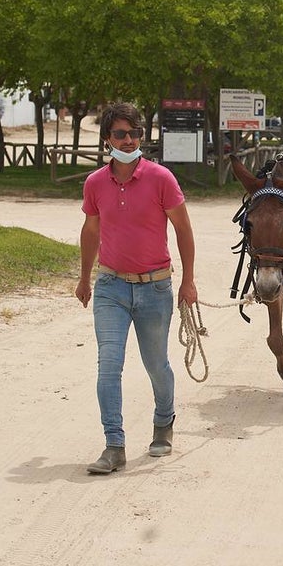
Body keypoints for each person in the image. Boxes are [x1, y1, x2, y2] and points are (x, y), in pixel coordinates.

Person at [76, 102, 197, 474]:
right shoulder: (95, 183)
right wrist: (84, 277)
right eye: (120, 134)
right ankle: (114, 445)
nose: (128, 140)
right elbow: (91, 231)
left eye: (134, 133)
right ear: (107, 139)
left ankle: (164, 422)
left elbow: (183, 230)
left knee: (156, 365)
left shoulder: (161, 179)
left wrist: (188, 280)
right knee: (108, 366)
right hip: (111, 285)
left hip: (155, 288)